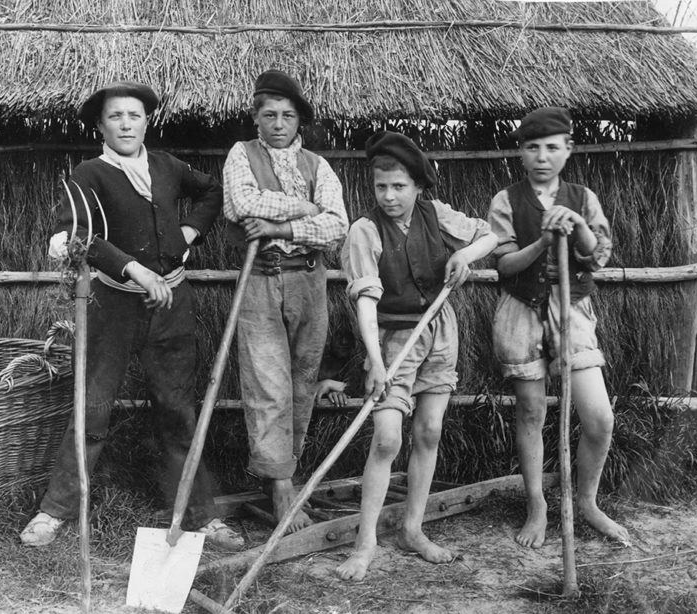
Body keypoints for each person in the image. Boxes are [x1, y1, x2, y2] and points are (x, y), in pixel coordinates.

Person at [20, 81, 243, 550]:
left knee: (177, 410)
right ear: (100, 126)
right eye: (115, 117)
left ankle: (200, 514)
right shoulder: (89, 175)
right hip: (114, 307)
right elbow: (72, 238)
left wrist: (188, 232)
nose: (126, 124)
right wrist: (134, 268)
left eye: (134, 115)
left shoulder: (167, 166)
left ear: (146, 122)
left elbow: (212, 192)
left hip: (172, 307)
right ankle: (54, 511)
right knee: (93, 408)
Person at [336, 131, 498, 581]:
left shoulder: (435, 213)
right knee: (387, 438)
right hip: (392, 340)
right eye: (381, 187)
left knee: (429, 431)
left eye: (399, 187)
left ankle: (412, 529)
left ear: (418, 186)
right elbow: (366, 304)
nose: (389, 196)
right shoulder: (364, 231)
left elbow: (490, 236)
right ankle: (365, 543)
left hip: (440, 331)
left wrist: (465, 256)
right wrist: (377, 362)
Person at [488, 107, 630, 548]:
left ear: (568, 150)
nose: (542, 157)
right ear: (521, 152)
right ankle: (537, 506)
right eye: (532, 148)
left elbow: (597, 256)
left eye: (552, 148)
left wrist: (578, 225)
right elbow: (505, 265)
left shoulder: (583, 197)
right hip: (521, 310)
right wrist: (544, 241)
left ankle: (586, 502)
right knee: (531, 411)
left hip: (572, 311)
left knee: (599, 418)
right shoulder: (506, 201)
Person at [222, 69, 349, 532]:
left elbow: (336, 226)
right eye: (270, 115)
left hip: (309, 280)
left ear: (300, 121)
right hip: (261, 277)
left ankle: (285, 473)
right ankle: (278, 486)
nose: (279, 124)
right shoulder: (241, 154)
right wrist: (305, 208)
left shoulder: (318, 166)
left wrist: (282, 225)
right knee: (267, 384)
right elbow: (241, 205)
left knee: (301, 381)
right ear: (256, 118)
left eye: (288, 116)